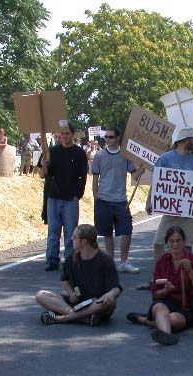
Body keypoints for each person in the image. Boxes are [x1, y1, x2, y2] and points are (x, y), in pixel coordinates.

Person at [126, 226, 193, 345]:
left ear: (184, 242)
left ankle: (146, 321)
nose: (175, 244)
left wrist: (190, 271)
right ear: (167, 243)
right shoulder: (162, 261)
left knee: (173, 319)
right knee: (159, 307)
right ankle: (167, 336)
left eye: (178, 240)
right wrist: (166, 290)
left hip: (186, 305)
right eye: (172, 241)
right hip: (165, 302)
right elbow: (156, 294)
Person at [35, 224, 122, 326]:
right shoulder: (71, 258)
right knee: (40, 295)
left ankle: (63, 318)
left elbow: (116, 288)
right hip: (77, 302)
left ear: (84, 241)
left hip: (97, 303)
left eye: (75, 237)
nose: (71, 239)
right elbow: (64, 280)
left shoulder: (105, 260)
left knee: (110, 302)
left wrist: (110, 294)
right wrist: (71, 293)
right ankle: (83, 318)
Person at [145, 127, 193, 271]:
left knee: (187, 244)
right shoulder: (165, 158)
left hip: (189, 212)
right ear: (185, 140)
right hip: (170, 211)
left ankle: (185, 277)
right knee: (159, 242)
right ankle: (159, 276)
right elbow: (156, 181)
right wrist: (149, 200)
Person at [92, 126, 144, 274]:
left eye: (110, 137)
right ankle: (110, 262)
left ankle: (124, 261)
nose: (107, 139)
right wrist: (96, 198)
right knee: (107, 232)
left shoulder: (125, 155)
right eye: (106, 137)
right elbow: (95, 178)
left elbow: (134, 175)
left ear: (117, 138)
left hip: (121, 200)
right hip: (103, 199)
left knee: (127, 230)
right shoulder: (99, 156)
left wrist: (140, 169)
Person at [39, 123, 88, 271]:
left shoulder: (79, 153)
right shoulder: (52, 151)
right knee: (53, 231)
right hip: (53, 197)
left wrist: (77, 195)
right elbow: (43, 175)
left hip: (70, 199)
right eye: (62, 134)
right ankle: (52, 259)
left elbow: (83, 176)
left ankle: (70, 259)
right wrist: (44, 165)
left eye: (67, 134)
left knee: (70, 231)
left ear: (72, 134)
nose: (65, 136)